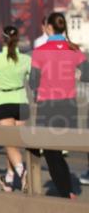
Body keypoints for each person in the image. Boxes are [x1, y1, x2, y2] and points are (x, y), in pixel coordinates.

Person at [30, 12, 85, 200]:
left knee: (50, 149)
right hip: (69, 105)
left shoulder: (40, 51)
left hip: (48, 105)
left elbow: (32, 82)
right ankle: (68, 189)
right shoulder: (74, 50)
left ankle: (65, 191)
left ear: (49, 28)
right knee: (60, 148)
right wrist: (74, 76)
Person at [0, 26, 31, 192]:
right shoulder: (26, 59)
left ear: (1, 38)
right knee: (15, 144)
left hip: (3, 101)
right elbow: (31, 79)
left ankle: (23, 173)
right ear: (18, 39)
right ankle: (9, 179)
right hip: (21, 101)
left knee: (9, 144)